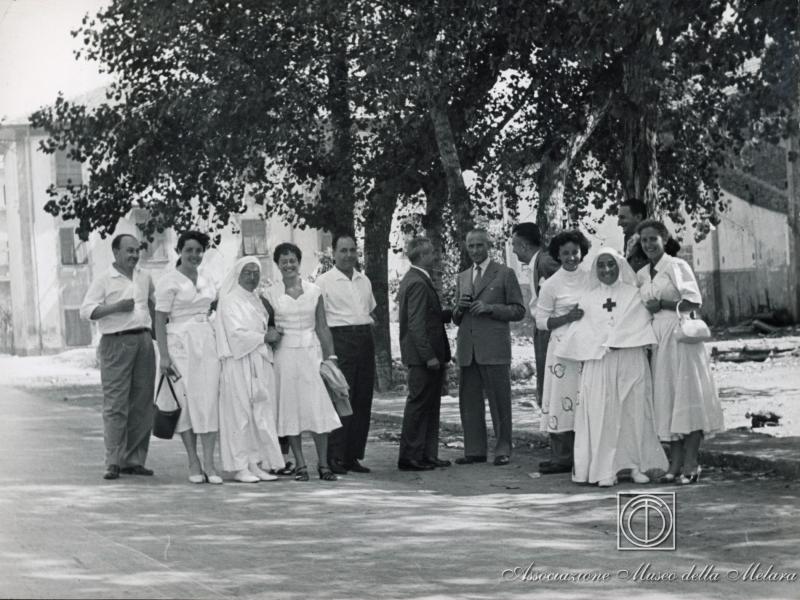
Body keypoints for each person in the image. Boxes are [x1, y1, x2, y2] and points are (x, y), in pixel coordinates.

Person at [557, 249, 668, 486]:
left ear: (619, 266)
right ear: (595, 269)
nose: (606, 270)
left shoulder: (632, 294)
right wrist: (603, 342)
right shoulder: (588, 298)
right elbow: (582, 331)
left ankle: (635, 465)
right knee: (602, 415)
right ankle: (605, 469)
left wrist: (618, 340)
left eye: (611, 264)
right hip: (600, 362)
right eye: (601, 265)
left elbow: (638, 322)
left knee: (633, 411)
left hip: (629, 358)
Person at [636, 219, 724, 484]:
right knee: (667, 400)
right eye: (644, 240)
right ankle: (673, 464)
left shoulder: (676, 266)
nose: (649, 244)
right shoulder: (642, 274)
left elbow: (694, 301)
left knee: (687, 397)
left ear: (664, 239)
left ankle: (691, 462)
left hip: (680, 336)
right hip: (657, 340)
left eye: (653, 239)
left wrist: (662, 303)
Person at [80, 234, 156, 480]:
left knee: (142, 404)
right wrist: (115, 307)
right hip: (116, 342)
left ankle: (132, 460)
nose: (134, 255)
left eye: (137, 251)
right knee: (116, 404)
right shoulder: (104, 279)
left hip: (144, 341)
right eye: (129, 251)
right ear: (116, 253)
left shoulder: (144, 277)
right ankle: (112, 461)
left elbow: (152, 305)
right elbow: (86, 311)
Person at [264, 242, 342, 482]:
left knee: (317, 408)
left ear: (299, 262)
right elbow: (266, 327)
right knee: (291, 409)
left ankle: (324, 464)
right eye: (283, 261)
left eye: (292, 260)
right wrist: (271, 334)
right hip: (285, 356)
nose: (289, 265)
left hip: (311, 353)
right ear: (278, 265)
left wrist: (331, 358)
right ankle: (300, 464)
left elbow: (322, 327)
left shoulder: (314, 290)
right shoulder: (269, 294)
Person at [453, 229, 526, 466]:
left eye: (479, 246)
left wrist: (490, 308)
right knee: (469, 401)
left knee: (500, 401)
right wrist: (460, 308)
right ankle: (474, 450)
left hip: (494, 348)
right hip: (468, 349)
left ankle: (503, 448)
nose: (475, 250)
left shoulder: (504, 273)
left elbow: (518, 310)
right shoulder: (462, 277)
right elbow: (456, 317)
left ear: (488, 246)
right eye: (471, 246)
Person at [154, 231, 222, 484]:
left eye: (199, 250)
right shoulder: (168, 280)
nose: (194, 255)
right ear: (179, 251)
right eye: (189, 250)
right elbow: (159, 319)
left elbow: (214, 308)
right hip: (179, 345)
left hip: (206, 342)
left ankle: (210, 463)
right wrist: (164, 356)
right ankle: (193, 461)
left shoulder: (207, 279)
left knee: (208, 401)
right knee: (186, 401)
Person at [215, 257, 284, 483]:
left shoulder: (256, 299)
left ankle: (255, 462)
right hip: (238, 362)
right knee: (239, 415)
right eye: (248, 272)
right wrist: (264, 337)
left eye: (256, 272)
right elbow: (236, 335)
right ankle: (239, 465)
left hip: (258, 360)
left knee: (259, 415)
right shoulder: (229, 300)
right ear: (238, 274)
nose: (252, 276)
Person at [316, 232, 376, 475]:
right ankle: (335, 456)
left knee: (362, 399)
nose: (349, 255)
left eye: (352, 250)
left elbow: (370, 311)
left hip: (364, 338)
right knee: (341, 397)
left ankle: (353, 456)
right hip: (339, 340)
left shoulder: (364, 280)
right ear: (333, 253)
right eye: (343, 250)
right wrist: (328, 353)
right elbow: (319, 321)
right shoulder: (323, 282)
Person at [533, 230, 591, 475]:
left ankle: (584, 454)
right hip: (561, 348)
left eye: (574, 252)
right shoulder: (551, 284)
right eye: (565, 253)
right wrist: (568, 317)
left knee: (584, 398)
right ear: (557, 255)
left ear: (582, 253)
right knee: (561, 398)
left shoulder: (592, 278)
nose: (570, 258)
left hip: (586, 345)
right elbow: (541, 322)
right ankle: (561, 456)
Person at [396, 237, 453, 471]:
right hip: (423, 358)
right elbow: (416, 323)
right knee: (419, 405)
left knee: (429, 405)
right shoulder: (418, 282)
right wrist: (428, 355)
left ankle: (427, 454)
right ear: (421, 256)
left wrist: (446, 313)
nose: (435, 257)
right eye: (431, 253)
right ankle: (410, 456)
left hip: (425, 355)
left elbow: (427, 316)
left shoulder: (417, 278)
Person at [510, 222, 560, 406]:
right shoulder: (537, 262)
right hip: (543, 329)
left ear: (524, 245)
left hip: (552, 330)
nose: (513, 251)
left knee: (552, 381)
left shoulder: (546, 261)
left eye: (514, 245)